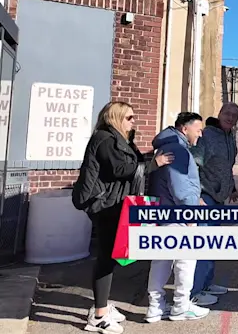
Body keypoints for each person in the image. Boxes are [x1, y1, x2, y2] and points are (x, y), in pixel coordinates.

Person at [72, 101, 173, 334]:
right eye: (129, 117)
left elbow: (130, 163)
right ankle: (98, 317)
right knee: (107, 259)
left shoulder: (120, 140)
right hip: (106, 206)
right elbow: (119, 169)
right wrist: (154, 164)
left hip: (115, 204)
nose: (133, 121)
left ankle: (102, 306)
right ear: (115, 118)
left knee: (115, 256)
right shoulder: (105, 139)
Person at [145, 112, 210, 323]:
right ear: (185, 128)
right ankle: (181, 306)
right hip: (178, 214)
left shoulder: (166, 145)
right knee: (185, 261)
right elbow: (181, 189)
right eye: (198, 130)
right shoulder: (178, 150)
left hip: (164, 213)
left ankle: (155, 307)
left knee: (161, 261)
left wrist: (196, 197)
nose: (200, 135)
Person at [189, 102, 238, 305]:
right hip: (205, 197)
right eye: (227, 113)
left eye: (234, 115)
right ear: (219, 114)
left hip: (219, 198)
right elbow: (193, 164)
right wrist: (195, 196)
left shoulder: (230, 138)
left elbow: (226, 168)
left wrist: (232, 188)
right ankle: (193, 292)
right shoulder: (208, 136)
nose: (230, 117)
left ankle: (205, 284)